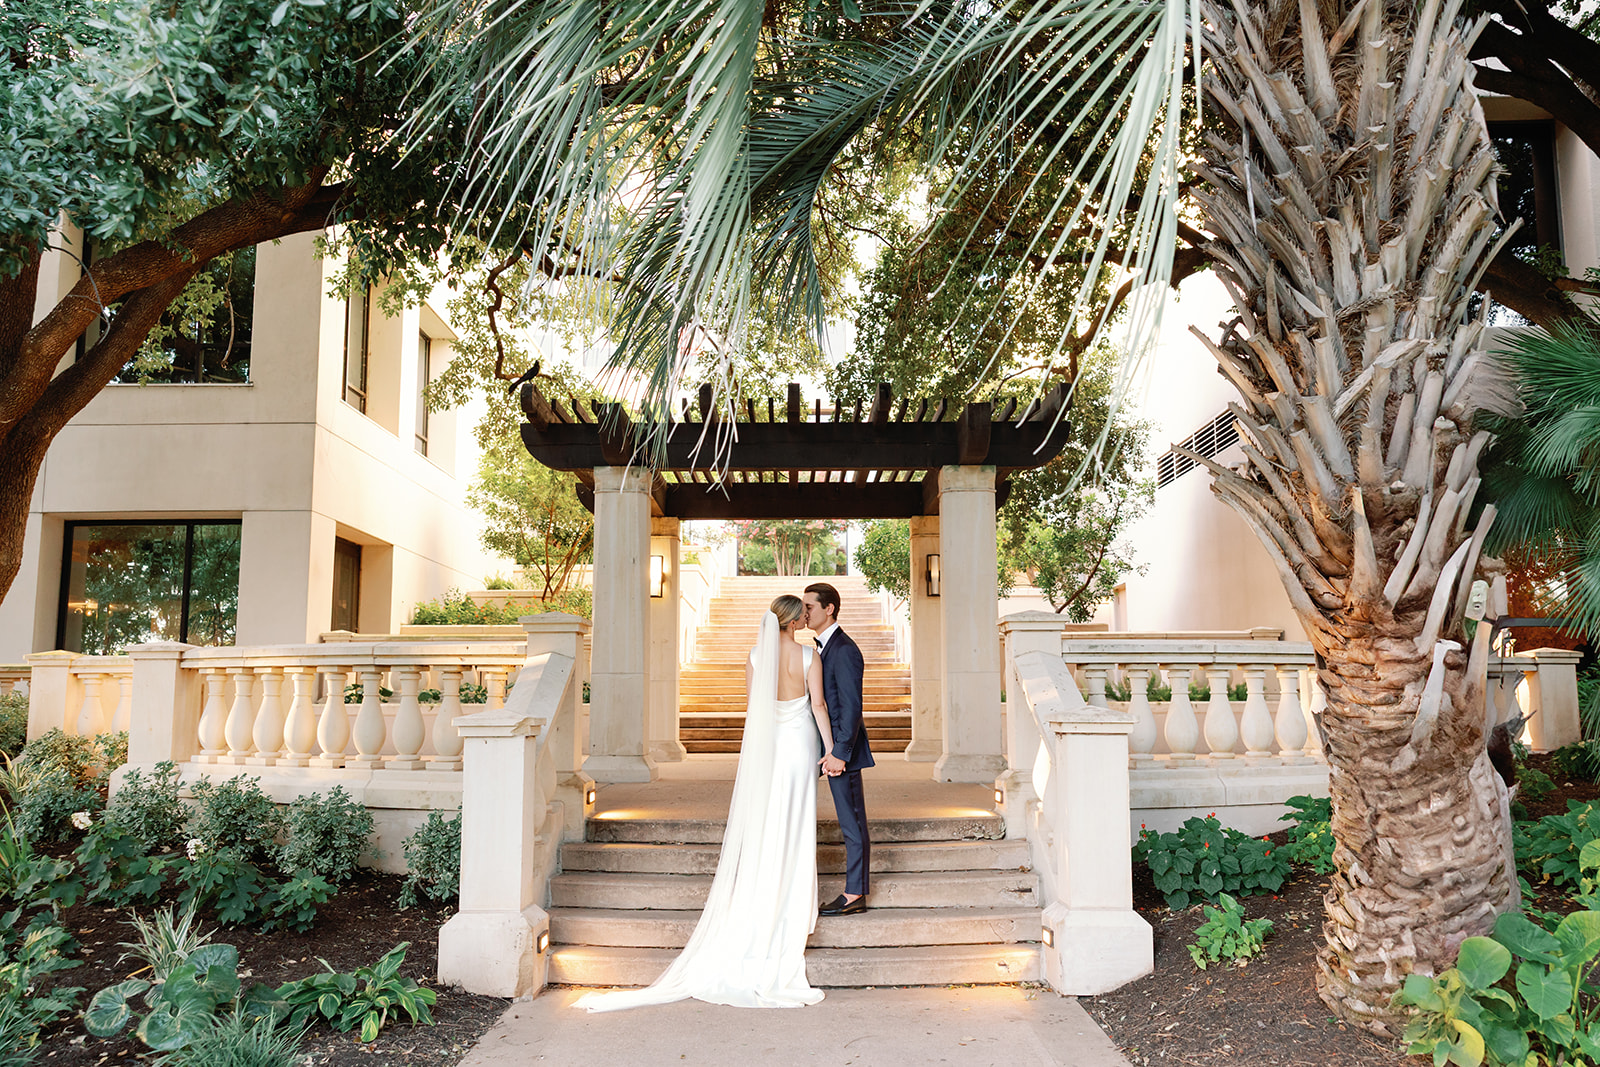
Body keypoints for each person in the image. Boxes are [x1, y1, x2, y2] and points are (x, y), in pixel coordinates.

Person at [574, 594, 835, 1011]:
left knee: (769, 822)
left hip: (771, 745)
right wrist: (832, 749)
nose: (807, 616)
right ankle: (788, 903)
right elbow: (818, 705)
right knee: (797, 819)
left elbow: (756, 711)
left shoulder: (754, 656)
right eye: (801, 613)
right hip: (800, 742)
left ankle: (762, 895)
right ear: (791, 621)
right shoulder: (809, 656)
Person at [803, 582, 874, 917]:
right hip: (827, 750)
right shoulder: (821, 648)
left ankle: (854, 893)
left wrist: (839, 753)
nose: (804, 614)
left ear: (828, 608)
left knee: (852, 822)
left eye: (809, 607)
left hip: (842, 753)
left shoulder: (844, 650)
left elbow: (851, 707)